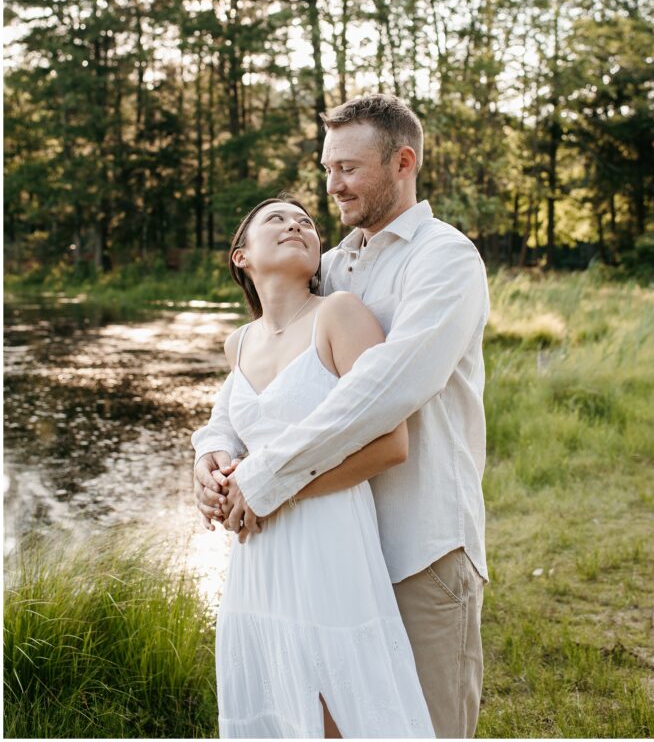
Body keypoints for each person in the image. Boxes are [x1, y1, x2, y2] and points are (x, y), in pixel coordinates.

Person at [193, 93, 490, 739]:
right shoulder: (329, 267)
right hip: (326, 549)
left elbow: (386, 388)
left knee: (422, 727)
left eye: (348, 169)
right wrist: (210, 448)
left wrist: (268, 476)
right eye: (327, 169)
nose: (330, 186)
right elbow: (260, 388)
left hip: (418, 540)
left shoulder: (444, 258)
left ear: (402, 162)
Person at [201, 195, 435, 739]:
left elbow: (390, 444)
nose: (297, 225)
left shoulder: (339, 314)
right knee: (275, 699)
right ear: (241, 257)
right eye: (276, 219)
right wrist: (210, 473)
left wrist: (277, 490)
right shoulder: (238, 342)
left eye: (306, 222)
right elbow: (228, 430)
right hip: (256, 555)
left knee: (339, 709)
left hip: (329, 539)